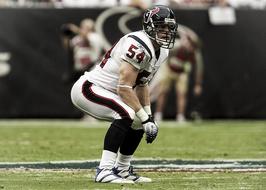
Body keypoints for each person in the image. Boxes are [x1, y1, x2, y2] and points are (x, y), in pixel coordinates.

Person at [70, 5, 178, 183]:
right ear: (149, 26)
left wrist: (148, 117)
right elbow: (124, 88)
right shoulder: (137, 44)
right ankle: (104, 171)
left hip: (111, 92)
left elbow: (142, 84)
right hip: (89, 88)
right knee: (127, 113)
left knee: (137, 120)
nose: (166, 31)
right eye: (161, 26)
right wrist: (144, 118)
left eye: (169, 27)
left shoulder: (162, 51)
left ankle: (122, 169)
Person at [152, 25, 203, 122]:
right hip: (168, 69)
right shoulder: (177, 46)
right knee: (162, 92)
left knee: (181, 94)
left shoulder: (195, 54)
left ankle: (180, 116)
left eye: (192, 46)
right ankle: (158, 114)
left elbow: (199, 69)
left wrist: (198, 84)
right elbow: (163, 55)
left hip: (181, 73)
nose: (190, 47)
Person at [60, 18, 105, 82]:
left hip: (91, 69)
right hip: (79, 69)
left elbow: (87, 40)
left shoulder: (95, 36)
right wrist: (65, 36)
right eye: (82, 26)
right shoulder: (77, 38)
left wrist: (76, 29)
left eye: (86, 27)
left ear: (91, 28)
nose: (83, 28)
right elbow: (68, 47)